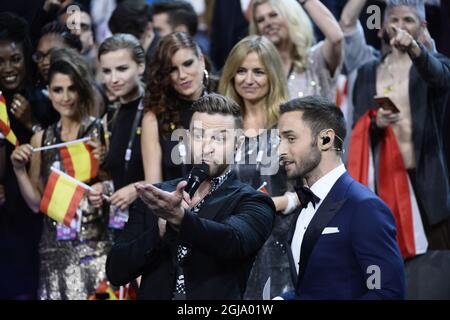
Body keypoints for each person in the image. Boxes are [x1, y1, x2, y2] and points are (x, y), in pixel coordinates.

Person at [106, 93, 275, 299]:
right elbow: (116, 270)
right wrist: (158, 233)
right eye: (198, 135)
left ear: (238, 144)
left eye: (219, 138)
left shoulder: (253, 201)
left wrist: (180, 219)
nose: (207, 146)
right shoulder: (158, 196)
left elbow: (233, 240)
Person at [276, 96, 405, 299]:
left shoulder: (365, 208)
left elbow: (386, 293)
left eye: (290, 139)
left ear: (325, 139)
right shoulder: (306, 203)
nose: (280, 150)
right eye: (279, 140)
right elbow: (312, 289)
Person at [10, 48, 110, 300]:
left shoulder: (100, 131)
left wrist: (106, 179)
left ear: (81, 89)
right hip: (54, 251)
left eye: (71, 88)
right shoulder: (40, 139)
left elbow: (115, 186)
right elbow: (36, 204)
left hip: (97, 249)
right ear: (48, 91)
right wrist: (18, 170)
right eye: (57, 89)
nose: (65, 97)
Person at [350, 0, 450, 252]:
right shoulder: (367, 72)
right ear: (383, 26)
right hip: (384, 182)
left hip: (426, 185)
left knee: (436, 271)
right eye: (394, 20)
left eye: (408, 20)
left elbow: (440, 78)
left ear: (423, 26)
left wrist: (416, 49)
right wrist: (375, 122)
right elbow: (358, 124)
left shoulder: (436, 64)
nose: (400, 26)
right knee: (389, 263)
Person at [218, 35, 297, 298]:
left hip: (279, 245)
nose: (248, 79)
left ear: (272, 75)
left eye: (258, 72)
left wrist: (276, 203)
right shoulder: (220, 126)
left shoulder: (291, 125)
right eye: (241, 71)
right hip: (229, 244)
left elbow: (315, 188)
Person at [0, 12, 44, 299]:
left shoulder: (44, 99)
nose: (8, 68)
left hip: (33, 212)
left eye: (14, 59)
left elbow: (59, 152)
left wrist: (31, 124)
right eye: (0, 61)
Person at [141, 32, 216, 183]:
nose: (182, 75)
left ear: (201, 60)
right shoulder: (156, 117)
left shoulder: (225, 94)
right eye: (172, 69)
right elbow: (155, 186)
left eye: (187, 64)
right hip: (178, 204)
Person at [89, 34, 146, 219]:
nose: (113, 79)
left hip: (155, 219)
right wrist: (103, 187)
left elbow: (176, 173)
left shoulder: (157, 111)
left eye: (122, 69)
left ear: (141, 66)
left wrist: (137, 190)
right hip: (122, 222)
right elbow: (119, 173)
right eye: (106, 71)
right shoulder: (110, 117)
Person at [250, 0, 343, 101]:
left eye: (274, 15)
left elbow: (336, 38)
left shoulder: (316, 59)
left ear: (292, 17)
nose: (267, 23)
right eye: (260, 20)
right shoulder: (258, 69)